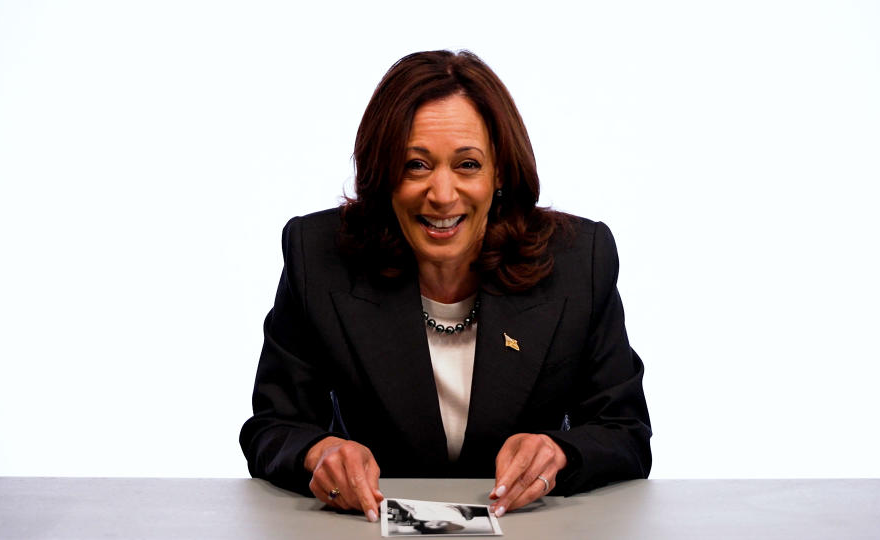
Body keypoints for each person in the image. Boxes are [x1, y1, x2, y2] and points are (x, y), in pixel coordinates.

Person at [239, 50, 651, 524]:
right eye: (415, 165)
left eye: (468, 165)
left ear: (500, 173)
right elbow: (272, 426)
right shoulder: (317, 256)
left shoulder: (580, 261)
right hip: (364, 530)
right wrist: (318, 451)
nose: (441, 194)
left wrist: (560, 452)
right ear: (383, 175)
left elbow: (625, 431)